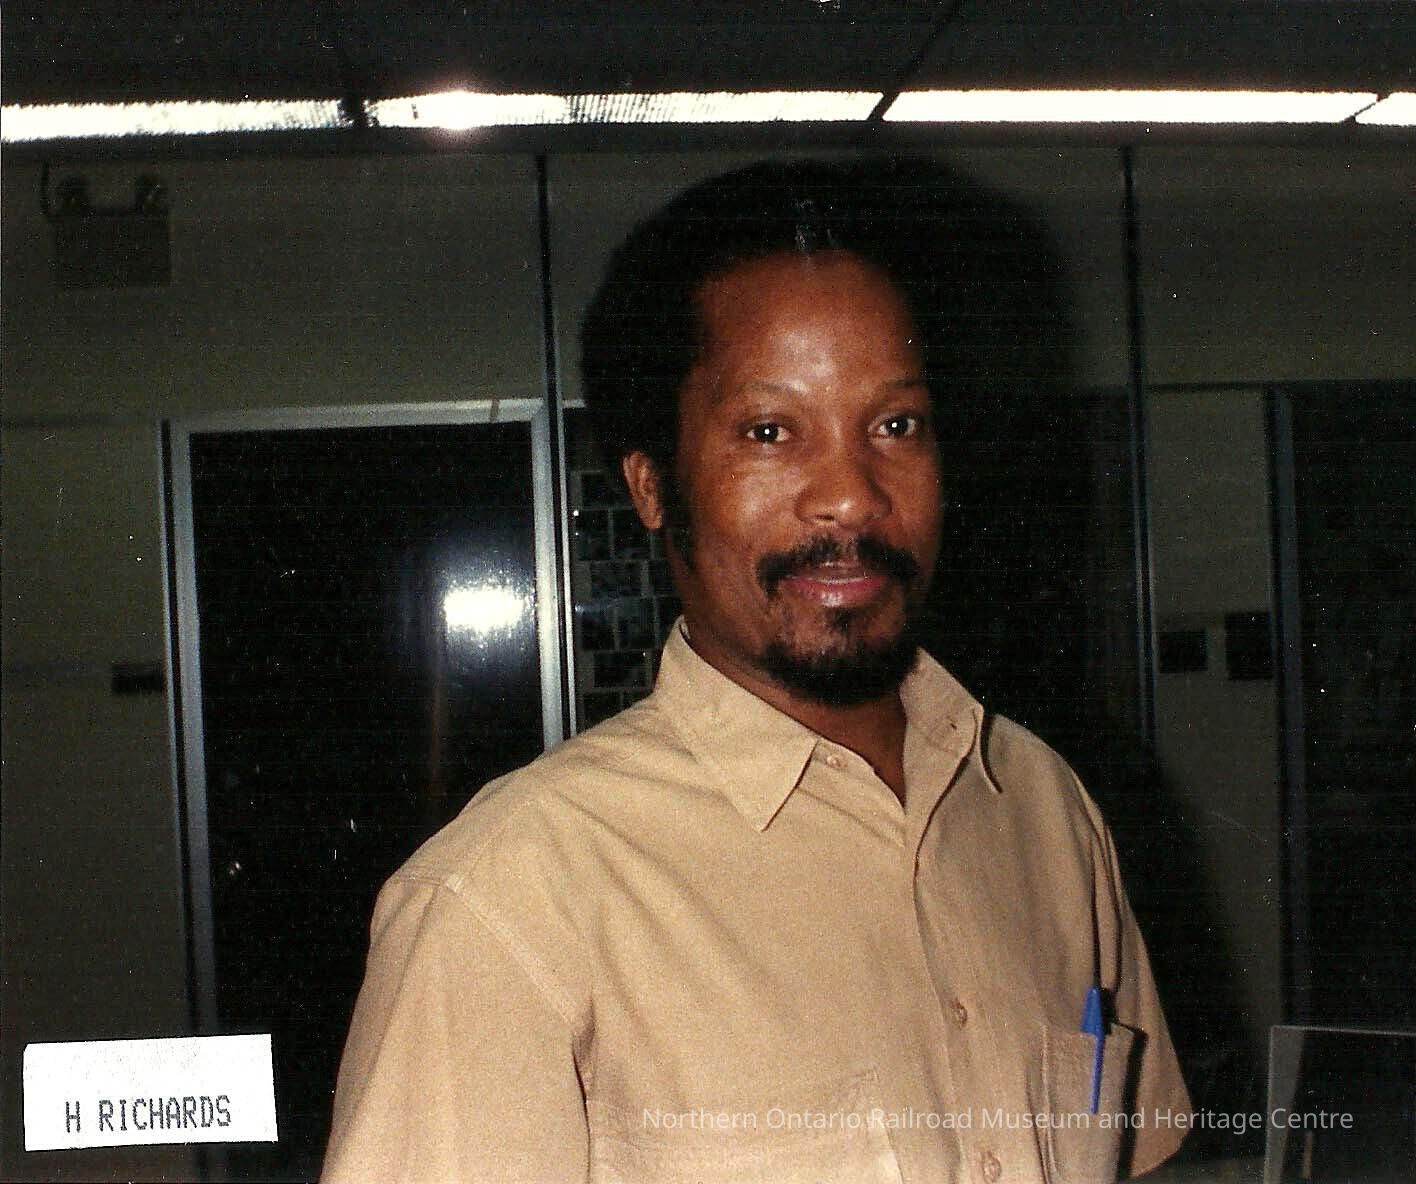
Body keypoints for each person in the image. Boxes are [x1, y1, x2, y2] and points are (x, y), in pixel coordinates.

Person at [323, 159, 1191, 1183]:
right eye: (771, 431)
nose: (851, 497)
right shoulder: (512, 898)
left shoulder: (1045, 810)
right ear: (652, 484)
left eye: (896, 425)